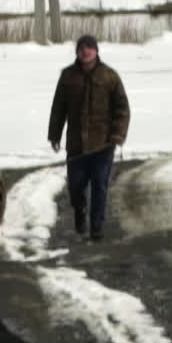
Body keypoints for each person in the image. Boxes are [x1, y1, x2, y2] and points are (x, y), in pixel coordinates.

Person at [47, 33, 130, 242]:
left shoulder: (109, 76)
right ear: (77, 52)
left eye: (89, 48)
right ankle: (80, 210)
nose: (85, 51)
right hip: (76, 144)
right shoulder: (67, 76)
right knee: (76, 186)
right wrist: (54, 135)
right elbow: (58, 109)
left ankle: (97, 226)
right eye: (82, 48)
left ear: (96, 51)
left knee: (100, 185)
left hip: (103, 143)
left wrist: (118, 134)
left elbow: (122, 108)